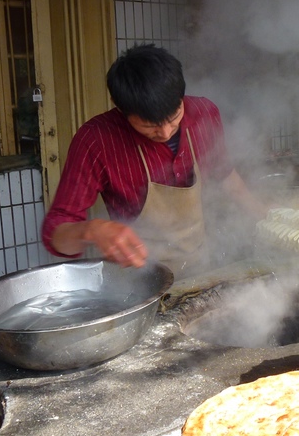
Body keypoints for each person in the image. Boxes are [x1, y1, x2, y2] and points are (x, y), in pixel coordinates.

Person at [41, 43, 266, 279]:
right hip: (141, 284)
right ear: (120, 107)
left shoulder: (205, 113)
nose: (166, 132)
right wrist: (92, 230)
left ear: (181, 96)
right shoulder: (96, 140)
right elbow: (56, 231)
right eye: (150, 126)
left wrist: (266, 217)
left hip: (201, 271)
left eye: (174, 117)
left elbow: (225, 175)